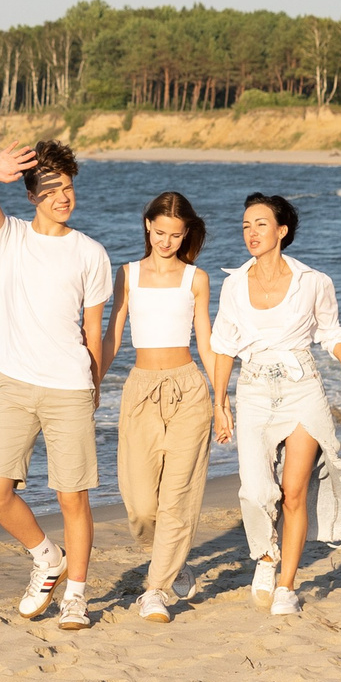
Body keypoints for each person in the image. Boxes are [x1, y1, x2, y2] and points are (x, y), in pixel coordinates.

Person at [0, 140, 114, 630]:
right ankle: (46, 557)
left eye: (68, 188)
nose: (62, 197)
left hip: (69, 389)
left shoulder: (91, 253)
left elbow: (93, 331)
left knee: (72, 496)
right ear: (32, 195)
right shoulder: (9, 237)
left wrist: (94, 386)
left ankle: (76, 595)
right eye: (52, 189)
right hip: (13, 385)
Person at [210, 193, 341, 618]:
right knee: (257, 489)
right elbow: (223, 345)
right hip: (255, 389)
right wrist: (219, 401)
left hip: (302, 388)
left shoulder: (313, 281)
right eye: (246, 226)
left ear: (281, 230)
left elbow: (331, 332)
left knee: (294, 491)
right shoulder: (232, 284)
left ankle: (286, 585)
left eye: (260, 224)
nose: (251, 233)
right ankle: (266, 556)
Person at [102, 191, 215, 623]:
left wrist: (220, 400)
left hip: (188, 388)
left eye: (175, 234)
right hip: (140, 390)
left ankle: (156, 589)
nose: (166, 241)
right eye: (160, 231)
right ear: (148, 225)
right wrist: (92, 380)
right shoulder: (127, 274)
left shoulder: (196, 279)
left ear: (185, 233)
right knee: (141, 504)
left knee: (178, 497)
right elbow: (113, 332)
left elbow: (205, 342)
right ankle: (174, 555)